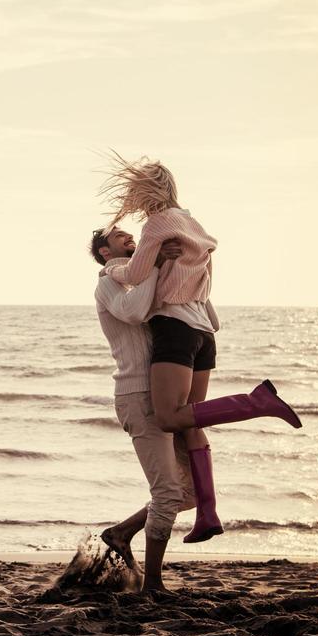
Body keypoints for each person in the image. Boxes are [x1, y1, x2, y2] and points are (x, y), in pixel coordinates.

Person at [100, 157, 303, 547]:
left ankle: (257, 402)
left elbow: (137, 274)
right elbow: (206, 282)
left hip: (175, 329)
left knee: (169, 416)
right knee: (191, 423)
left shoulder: (158, 225)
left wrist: (111, 270)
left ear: (146, 191)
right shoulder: (194, 226)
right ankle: (207, 514)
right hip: (204, 332)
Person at [91, 225, 193, 596]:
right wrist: (151, 268)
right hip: (138, 394)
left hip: (167, 393)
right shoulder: (107, 283)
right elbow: (133, 314)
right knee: (167, 492)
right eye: (119, 236)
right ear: (105, 252)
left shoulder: (140, 280)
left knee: (191, 492)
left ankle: (120, 533)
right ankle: (153, 584)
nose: (129, 236)